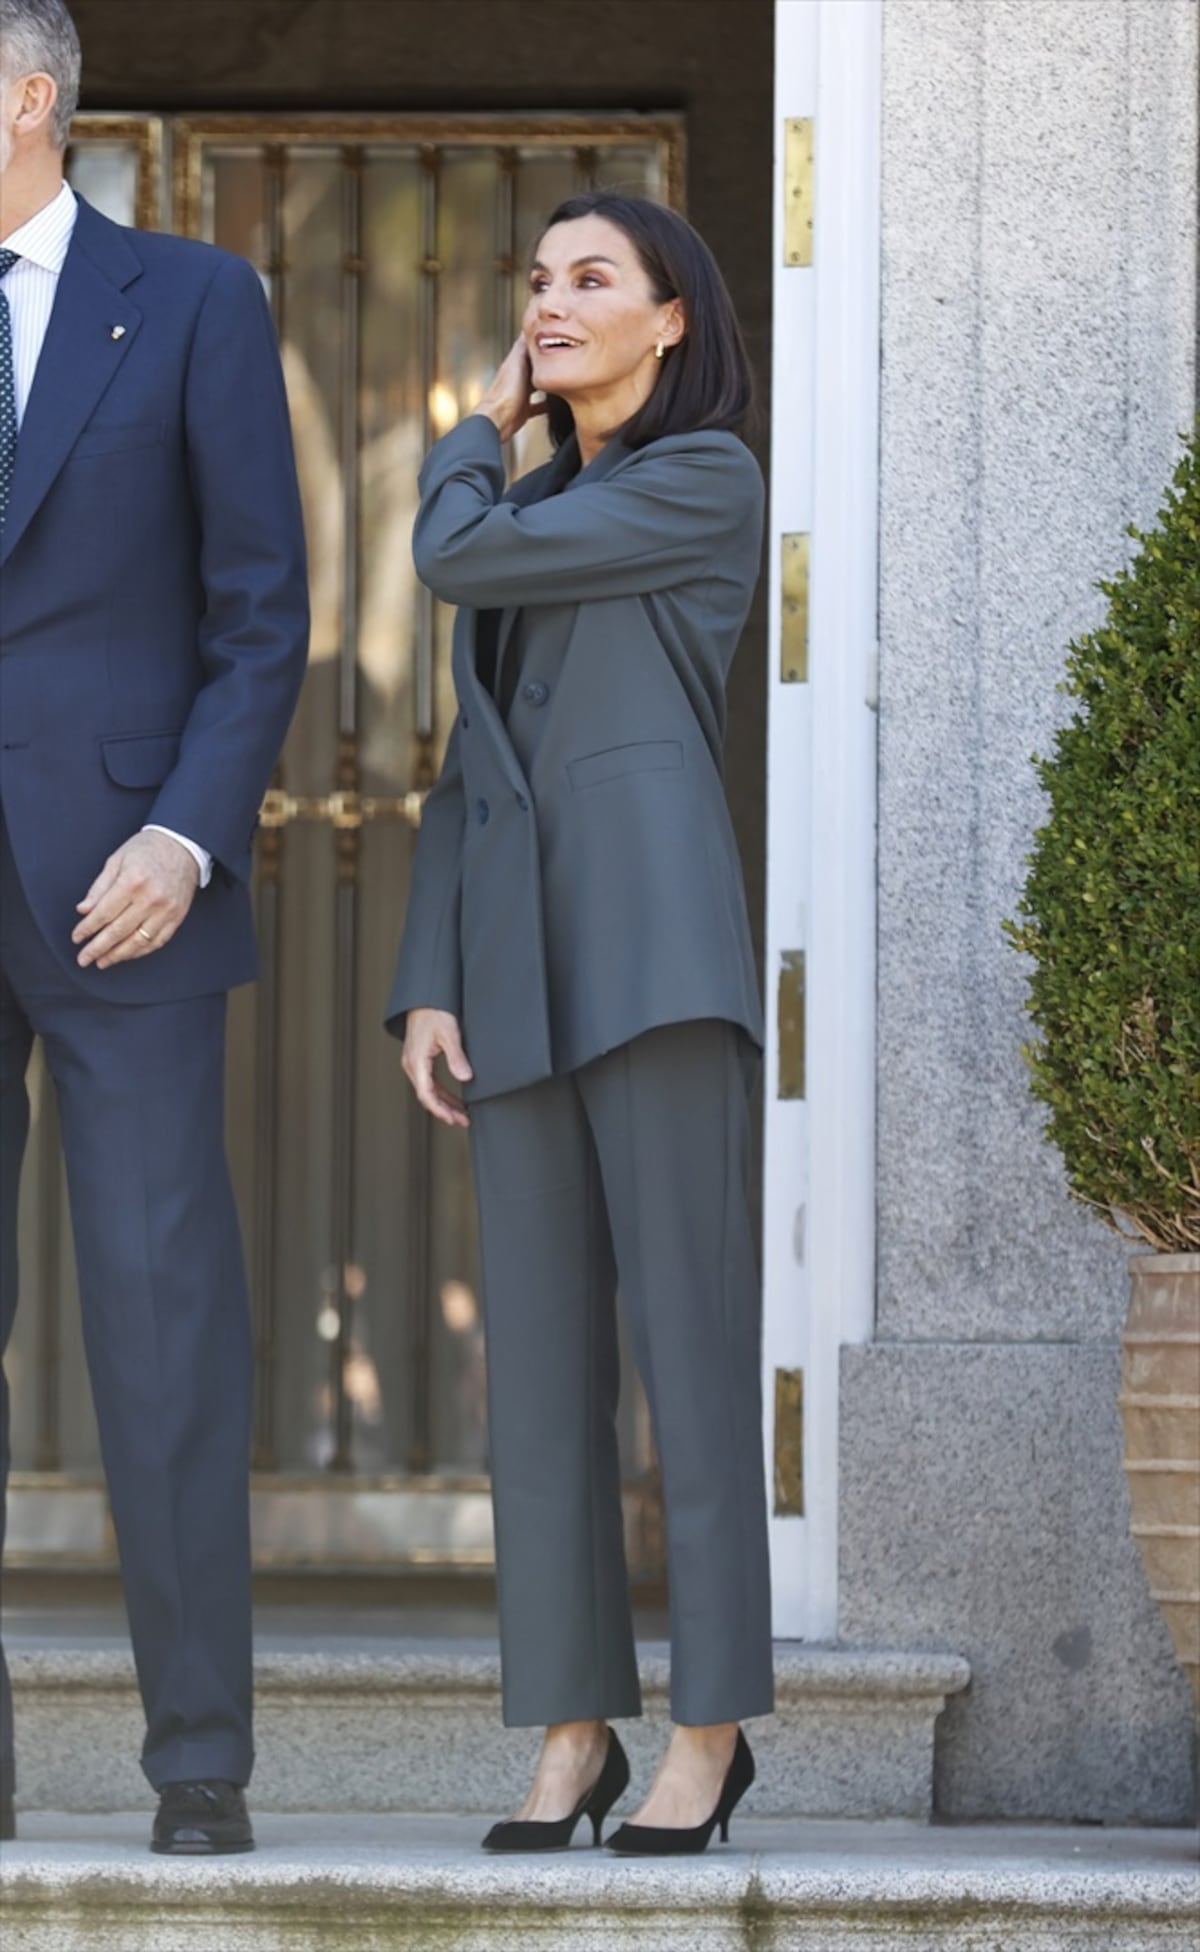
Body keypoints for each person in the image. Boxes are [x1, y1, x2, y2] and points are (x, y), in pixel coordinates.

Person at [389, 190, 774, 1856]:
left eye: (590, 278)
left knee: (688, 1355)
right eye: (536, 279)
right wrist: (427, 974)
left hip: (659, 956)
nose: (551, 302)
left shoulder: (700, 482)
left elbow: (447, 550)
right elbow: (470, 762)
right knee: (537, 1377)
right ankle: (570, 1733)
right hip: (515, 967)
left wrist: (470, 433)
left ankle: (710, 1732)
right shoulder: (542, 505)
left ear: (670, 316)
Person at [0, 0, 308, 1853]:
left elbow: (262, 608)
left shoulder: (194, 300)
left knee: (163, 1325)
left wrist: (189, 833)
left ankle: (200, 1765)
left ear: (27, 99)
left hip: (129, 895)